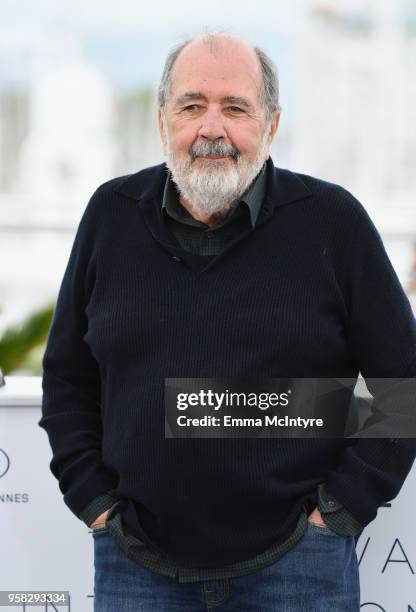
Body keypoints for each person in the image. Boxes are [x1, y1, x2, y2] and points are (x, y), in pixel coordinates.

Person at [39, 32, 416, 611]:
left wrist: (337, 511)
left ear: (271, 124)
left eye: (235, 107)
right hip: (137, 565)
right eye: (192, 105)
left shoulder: (333, 223)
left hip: (299, 568)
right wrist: (95, 502)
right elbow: (67, 376)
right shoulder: (109, 217)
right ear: (162, 119)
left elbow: (404, 381)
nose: (212, 128)